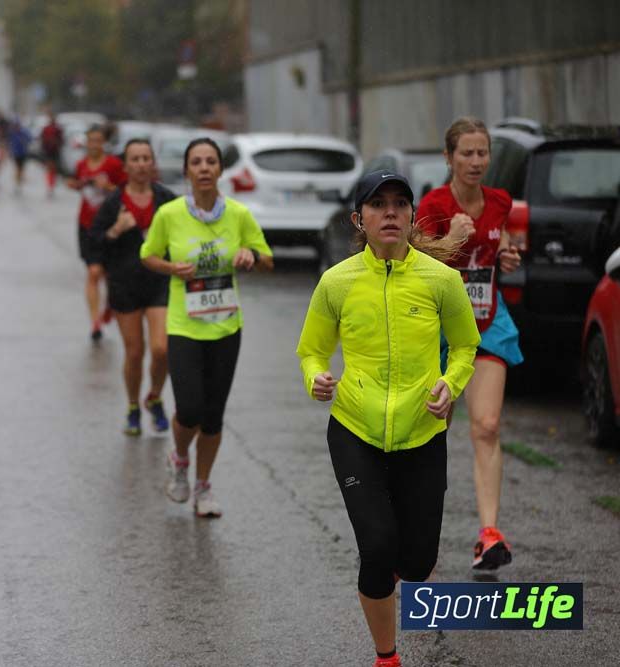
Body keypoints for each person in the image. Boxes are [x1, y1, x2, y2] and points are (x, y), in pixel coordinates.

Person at [296, 170, 480, 667]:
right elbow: (312, 351)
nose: (391, 212)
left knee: (417, 560)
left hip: (422, 431)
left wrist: (451, 384)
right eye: (379, 205)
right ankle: (387, 656)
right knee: (377, 547)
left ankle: (401, 570)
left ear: (413, 216)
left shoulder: (441, 280)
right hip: (355, 429)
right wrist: (316, 378)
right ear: (360, 219)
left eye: (400, 203)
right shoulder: (337, 282)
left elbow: (466, 345)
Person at [141, 138, 273, 518]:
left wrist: (251, 257)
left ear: (219, 170)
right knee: (189, 408)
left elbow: (268, 259)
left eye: (210, 161)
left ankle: (203, 486)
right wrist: (170, 268)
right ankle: (180, 457)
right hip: (184, 325)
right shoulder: (168, 215)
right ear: (186, 171)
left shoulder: (237, 214)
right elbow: (147, 255)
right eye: (196, 162)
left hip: (227, 327)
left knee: (213, 415)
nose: (203, 168)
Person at [416, 116, 524, 571]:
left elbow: (501, 246)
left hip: (488, 321)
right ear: (449, 158)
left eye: (483, 153)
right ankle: (420, 530)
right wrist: (452, 241)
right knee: (433, 432)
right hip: (440, 329)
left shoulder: (500, 202)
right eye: (467, 153)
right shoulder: (433, 202)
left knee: (488, 424)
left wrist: (507, 255)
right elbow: (412, 259)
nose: (476, 161)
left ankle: (489, 535)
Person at [90, 139, 177, 436]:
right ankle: (131, 406)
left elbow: (187, 235)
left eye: (146, 158)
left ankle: (153, 396)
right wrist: (116, 229)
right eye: (135, 159)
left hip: (159, 283)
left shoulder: (167, 200)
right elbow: (95, 241)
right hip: (124, 285)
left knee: (162, 349)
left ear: (153, 164)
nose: (141, 164)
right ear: (125, 166)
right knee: (135, 353)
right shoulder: (113, 204)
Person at [68, 125, 126, 342]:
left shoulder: (113, 164)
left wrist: (108, 186)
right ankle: (95, 323)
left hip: (110, 226)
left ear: (104, 143)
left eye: (98, 140)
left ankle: (109, 305)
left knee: (109, 274)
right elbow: (75, 182)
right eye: (90, 140)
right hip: (86, 225)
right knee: (93, 272)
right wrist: (75, 184)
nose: (94, 145)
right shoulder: (81, 164)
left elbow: (125, 191)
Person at [40, 115, 64, 198]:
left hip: (50, 152)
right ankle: (51, 186)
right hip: (53, 152)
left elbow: (42, 140)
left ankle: (50, 186)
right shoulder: (57, 129)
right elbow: (62, 141)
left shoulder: (47, 129)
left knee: (50, 170)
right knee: (52, 170)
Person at [7, 120, 32, 193]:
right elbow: (9, 143)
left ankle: (19, 182)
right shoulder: (12, 133)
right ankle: (18, 183)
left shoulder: (23, 133)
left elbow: (29, 139)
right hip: (16, 154)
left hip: (23, 153)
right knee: (18, 169)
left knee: (21, 169)